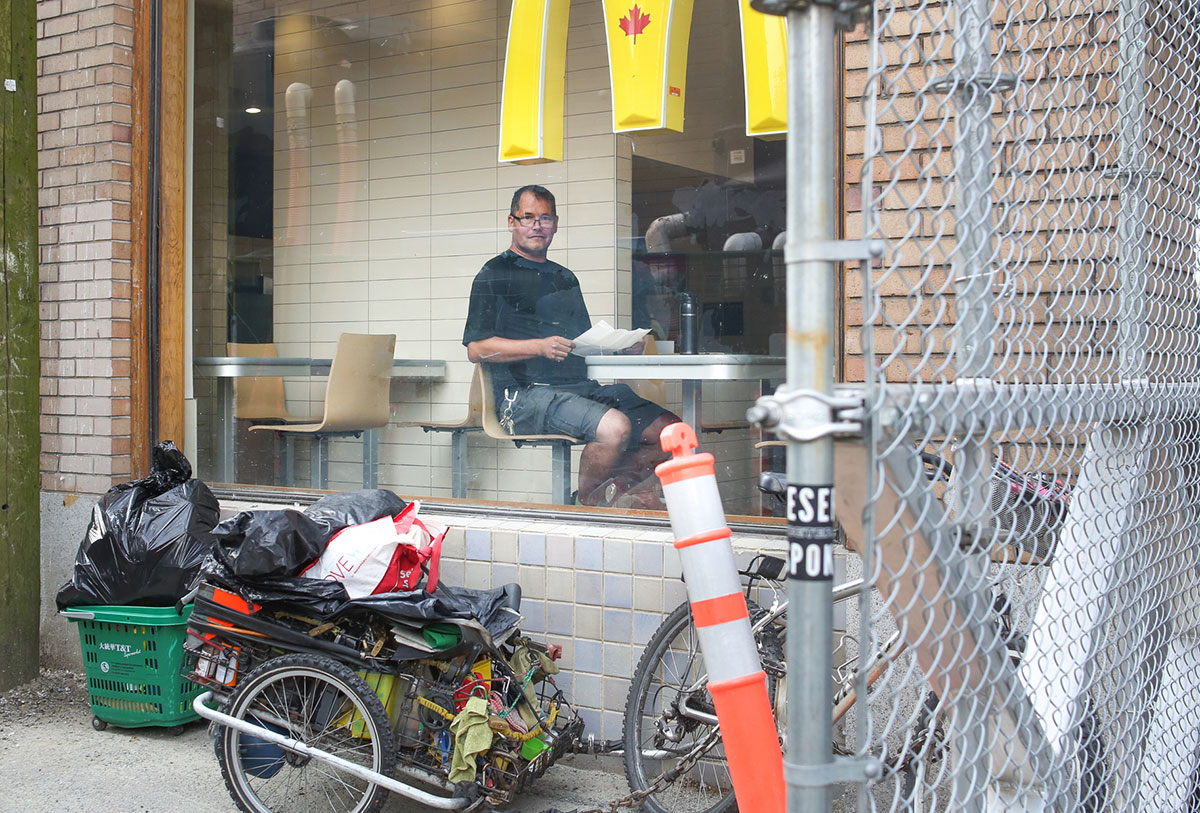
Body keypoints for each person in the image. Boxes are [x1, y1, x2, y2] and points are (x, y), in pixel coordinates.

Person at [463, 185, 680, 508]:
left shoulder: (565, 278)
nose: (537, 225)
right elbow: (476, 349)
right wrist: (539, 347)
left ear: (556, 224)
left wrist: (617, 348)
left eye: (545, 218)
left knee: (672, 433)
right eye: (528, 217)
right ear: (512, 222)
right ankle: (589, 507)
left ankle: (607, 493)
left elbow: (580, 344)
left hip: (577, 388)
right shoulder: (494, 274)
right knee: (614, 428)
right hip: (522, 396)